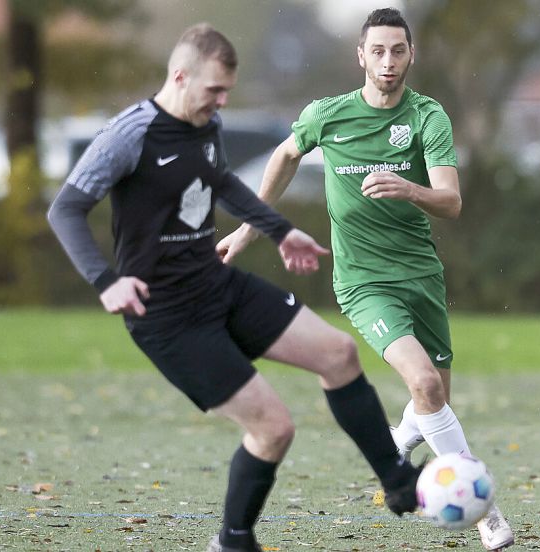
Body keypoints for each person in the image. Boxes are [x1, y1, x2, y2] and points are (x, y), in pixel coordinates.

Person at [48, 23, 422, 552]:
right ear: (180, 76)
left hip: (216, 285)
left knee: (338, 353)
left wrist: (280, 230)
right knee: (274, 429)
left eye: (226, 92)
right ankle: (233, 541)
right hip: (166, 317)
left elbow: (220, 181)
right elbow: (64, 209)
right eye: (214, 91)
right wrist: (105, 281)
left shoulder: (206, 122)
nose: (221, 102)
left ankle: (398, 482)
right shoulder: (128, 135)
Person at [216, 8, 514, 550]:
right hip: (363, 282)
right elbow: (284, 156)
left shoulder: (428, 117)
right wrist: (247, 231)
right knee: (423, 385)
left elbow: (451, 201)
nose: (388, 61)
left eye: (397, 50)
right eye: (377, 51)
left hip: (421, 274)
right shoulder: (328, 115)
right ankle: (483, 508)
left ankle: (398, 440)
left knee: (435, 399)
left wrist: (409, 188)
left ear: (410, 54)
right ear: (361, 56)